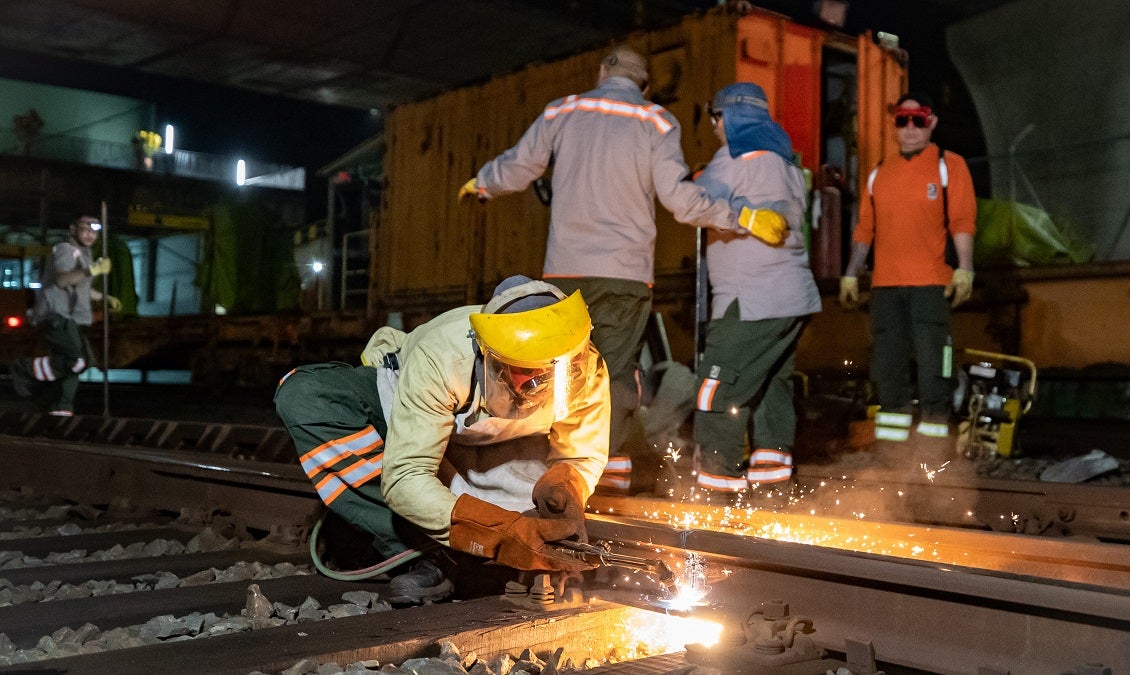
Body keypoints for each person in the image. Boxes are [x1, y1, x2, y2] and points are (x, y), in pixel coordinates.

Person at [459, 45, 788, 494]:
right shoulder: (656, 121)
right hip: (625, 274)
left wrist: (483, 183)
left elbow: (520, 166)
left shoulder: (564, 110)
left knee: (559, 368)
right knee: (613, 371)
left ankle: (554, 466)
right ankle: (606, 470)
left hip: (565, 272)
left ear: (601, 73)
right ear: (644, 85)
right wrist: (742, 216)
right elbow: (680, 199)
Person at [274, 276, 608, 605]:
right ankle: (424, 552)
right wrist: (495, 534)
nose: (545, 389)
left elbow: (580, 456)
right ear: (494, 362)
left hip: (508, 456)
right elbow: (407, 477)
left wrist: (565, 489)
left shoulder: (583, 364)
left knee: (529, 524)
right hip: (418, 434)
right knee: (304, 396)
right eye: (531, 379)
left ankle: (491, 545)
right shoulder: (442, 358)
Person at [689, 83, 822, 503]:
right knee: (770, 387)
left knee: (717, 388)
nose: (714, 128)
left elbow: (694, 204)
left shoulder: (734, 156)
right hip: (793, 298)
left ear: (729, 116)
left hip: (750, 300)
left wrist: (694, 183)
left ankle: (717, 496)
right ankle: (772, 491)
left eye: (716, 118)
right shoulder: (788, 163)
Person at [838, 92, 976, 453]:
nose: (911, 128)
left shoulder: (949, 165)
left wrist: (965, 269)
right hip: (885, 288)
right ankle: (893, 458)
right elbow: (864, 231)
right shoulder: (879, 174)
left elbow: (962, 220)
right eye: (903, 120)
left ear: (931, 123)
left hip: (932, 285)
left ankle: (934, 455)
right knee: (887, 371)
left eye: (918, 120)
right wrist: (851, 274)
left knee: (935, 368)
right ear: (895, 125)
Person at [10, 214, 120, 416]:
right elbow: (63, 281)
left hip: (73, 317)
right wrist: (94, 270)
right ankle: (24, 368)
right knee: (74, 360)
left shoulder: (85, 254)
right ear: (73, 230)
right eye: (85, 230)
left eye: (93, 232)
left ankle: (61, 407)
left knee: (83, 362)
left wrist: (104, 297)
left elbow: (82, 286)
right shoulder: (65, 250)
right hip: (56, 314)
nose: (89, 235)